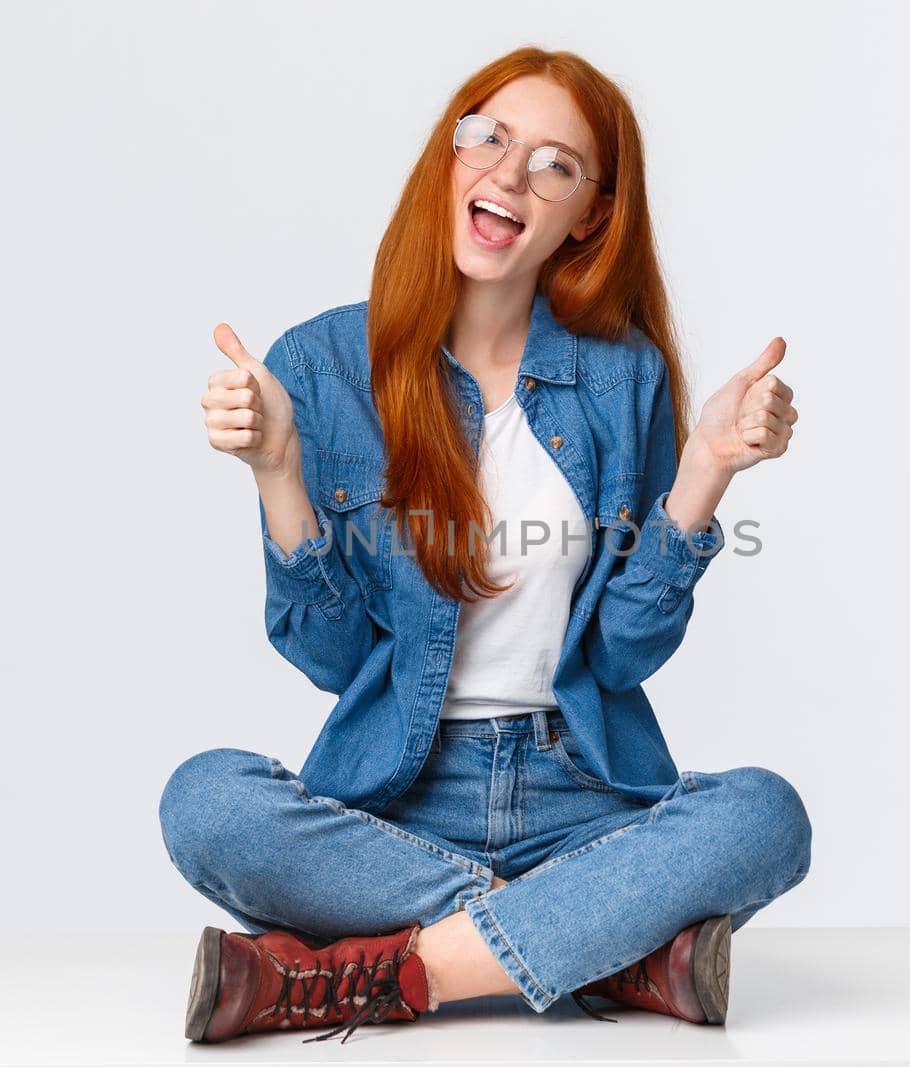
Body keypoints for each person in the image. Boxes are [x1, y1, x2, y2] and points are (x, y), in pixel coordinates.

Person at [159, 45, 811, 1045]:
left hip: (580, 789)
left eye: (554, 163)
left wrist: (705, 472)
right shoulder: (323, 365)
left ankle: (389, 971)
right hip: (394, 800)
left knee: (766, 815)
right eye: (490, 137)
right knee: (204, 800)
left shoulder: (619, 376)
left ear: (588, 212)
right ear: (450, 154)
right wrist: (277, 471)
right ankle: (613, 944)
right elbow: (331, 659)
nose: (509, 173)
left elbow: (625, 653)